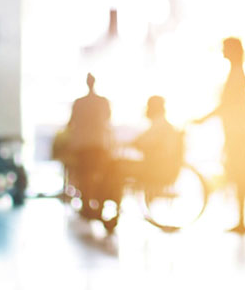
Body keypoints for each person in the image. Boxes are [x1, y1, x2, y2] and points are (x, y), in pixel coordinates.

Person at [195, 38, 245, 233]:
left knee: (240, 174)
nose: (222, 52)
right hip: (236, 132)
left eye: (225, 48)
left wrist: (203, 119)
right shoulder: (237, 73)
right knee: (243, 175)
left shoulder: (236, 75)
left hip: (236, 133)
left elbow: (227, 105)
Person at [63, 73, 117, 227]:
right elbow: (107, 120)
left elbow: (71, 123)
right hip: (98, 144)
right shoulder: (103, 102)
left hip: (82, 145)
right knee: (97, 175)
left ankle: (87, 205)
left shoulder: (79, 103)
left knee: (84, 175)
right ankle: (97, 205)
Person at [130, 96, 184, 191]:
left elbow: (144, 141)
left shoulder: (159, 125)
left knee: (116, 167)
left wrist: (135, 143)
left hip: (156, 168)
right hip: (164, 167)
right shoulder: (165, 125)